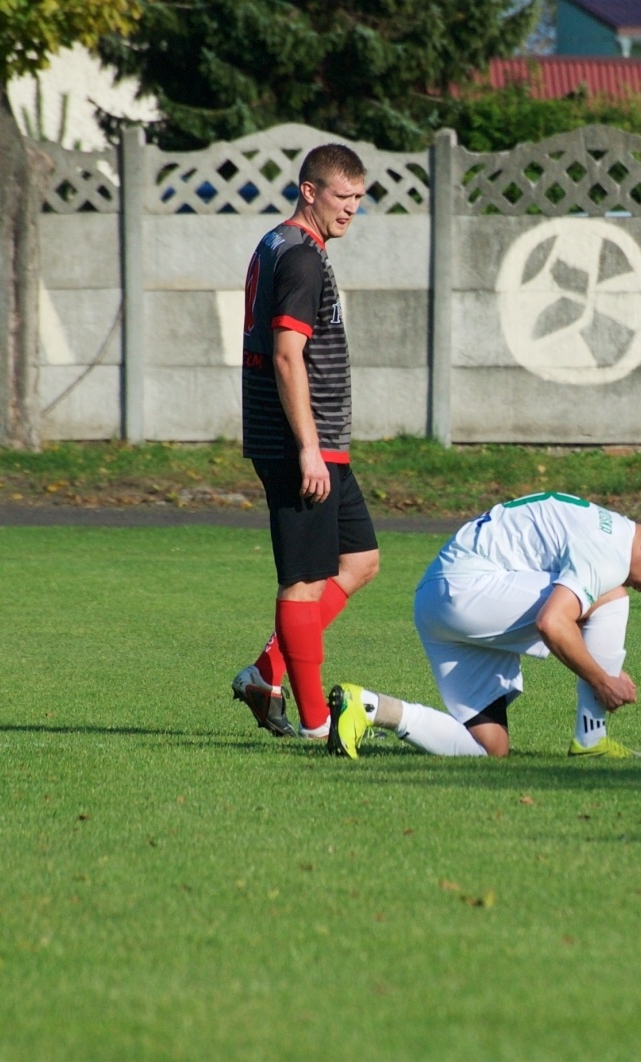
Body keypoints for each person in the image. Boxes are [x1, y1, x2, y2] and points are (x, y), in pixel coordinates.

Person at [324, 491, 641, 760]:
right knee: (612, 597)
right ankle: (591, 740)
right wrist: (602, 679)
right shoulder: (608, 554)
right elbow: (553, 622)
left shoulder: (608, 527)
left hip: (436, 599)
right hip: (466, 589)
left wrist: (598, 665)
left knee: (490, 749)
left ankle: (368, 707)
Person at [228, 145, 380, 739]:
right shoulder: (300, 259)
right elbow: (288, 355)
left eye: (359, 200)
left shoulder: (281, 244)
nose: (351, 211)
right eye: (342, 198)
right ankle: (317, 722)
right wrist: (308, 449)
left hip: (320, 444)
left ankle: (267, 671)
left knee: (361, 559)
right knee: (304, 579)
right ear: (309, 191)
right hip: (301, 445)